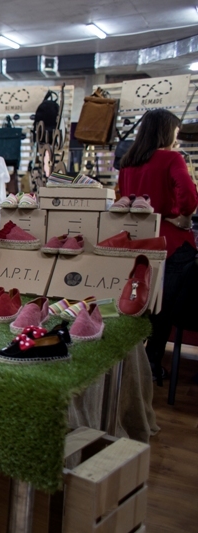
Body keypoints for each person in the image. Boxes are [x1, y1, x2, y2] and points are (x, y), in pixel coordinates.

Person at [119, 109, 198, 381]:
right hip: (170, 243)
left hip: (136, 242)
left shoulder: (128, 161)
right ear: (167, 130)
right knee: (162, 311)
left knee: (136, 305)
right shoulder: (171, 158)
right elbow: (188, 197)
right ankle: (150, 366)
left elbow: (123, 202)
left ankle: (131, 366)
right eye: (175, 131)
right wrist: (180, 217)